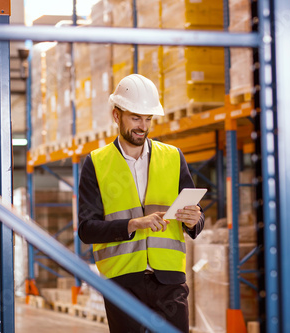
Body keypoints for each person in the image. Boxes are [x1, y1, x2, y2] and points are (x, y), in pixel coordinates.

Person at [78, 74, 205, 333]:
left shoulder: (173, 157)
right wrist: (133, 224)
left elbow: (195, 215)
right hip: (122, 282)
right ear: (117, 116)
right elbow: (87, 229)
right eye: (135, 117)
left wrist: (195, 221)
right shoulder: (97, 163)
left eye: (148, 119)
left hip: (169, 280)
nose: (143, 126)